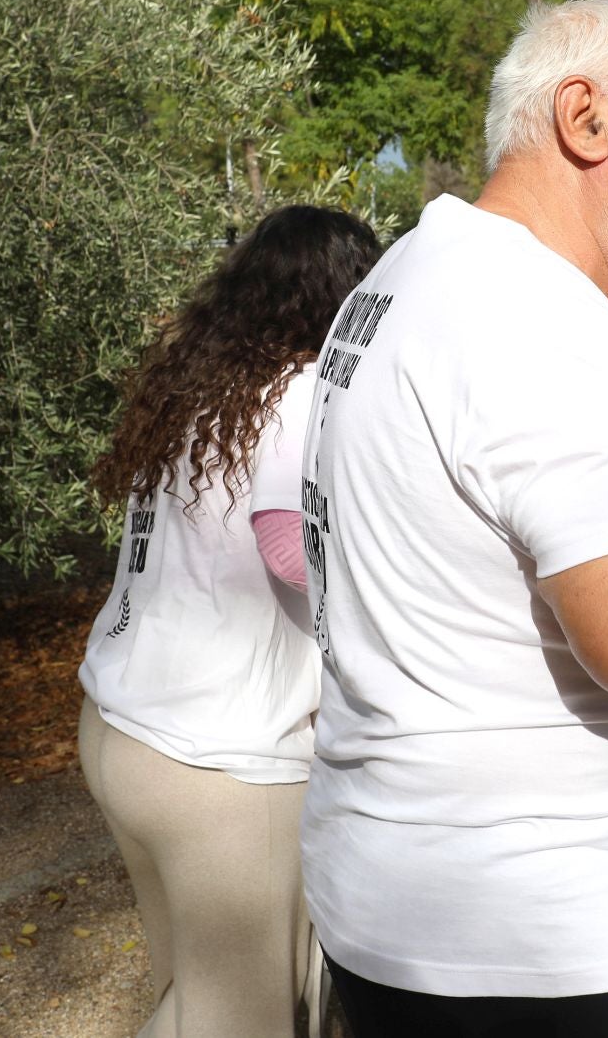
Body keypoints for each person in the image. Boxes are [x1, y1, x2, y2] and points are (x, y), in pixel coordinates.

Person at [297, 0, 608, 1037]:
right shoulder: (535, 323)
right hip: (543, 954)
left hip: (428, 912)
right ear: (585, 120)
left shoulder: (416, 273)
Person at [79, 204, 382, 1038]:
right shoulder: (298, 392)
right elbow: (291, 548)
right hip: (219, 766)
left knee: (190, 990)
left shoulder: (198, 387)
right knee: (239, 1017)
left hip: (122, 730)